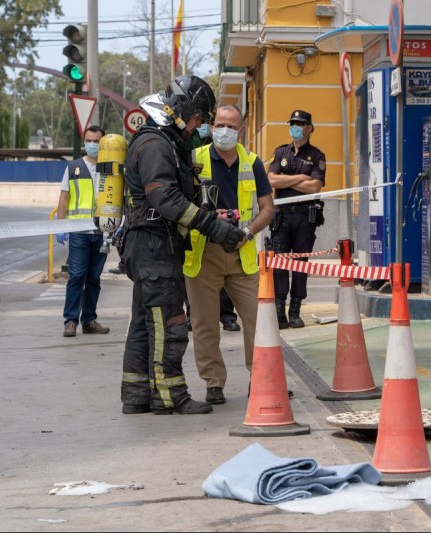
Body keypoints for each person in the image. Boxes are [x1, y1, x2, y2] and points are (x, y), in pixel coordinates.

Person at [119, 75, 246, 415]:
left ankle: (136, 396)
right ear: (180, 111)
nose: (200, 126)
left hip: (151, 244)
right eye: (199, 118)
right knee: (168, 323)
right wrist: (214, 227)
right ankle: (169, 396)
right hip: (154, 246)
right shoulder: (156, 145)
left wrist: (208, 214)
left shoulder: (162, 142)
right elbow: (165, 198)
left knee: (145, 323)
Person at [183, 103, 274, 405]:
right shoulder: (194, 159)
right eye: (220, 124)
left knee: (257, 321)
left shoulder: (252, 162)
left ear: (241, 129)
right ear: (211, 126)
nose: (225, 131)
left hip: (241, 251)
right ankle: (213, 384)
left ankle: (260, 379)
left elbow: (267, 209)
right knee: (205, 323)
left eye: (232, 126)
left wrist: (247, 233)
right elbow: (180, 203)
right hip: (203, 251)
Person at [267, 109, 326, 329]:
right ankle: (279, 311)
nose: (296, 127)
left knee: (300, 265)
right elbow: (271, 180)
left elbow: (315, 185)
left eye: (300, 123)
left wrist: (287, 180)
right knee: (279, 263)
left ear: (310, 128)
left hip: (305, 217)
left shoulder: (317, 156)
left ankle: (295, 311)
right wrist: (301, 178)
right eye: (293, 123)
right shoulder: (280, 152)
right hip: (281, 217)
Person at [55, 125, 110, 338]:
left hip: (102, 232)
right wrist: (60, 226)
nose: (92, 145)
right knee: (77, 275)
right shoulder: (74, 167)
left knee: (94, 278)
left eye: (97, 141)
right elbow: (64, 197)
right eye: (89, 140)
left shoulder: (111, 167)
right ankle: (70, 321)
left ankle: (89, 320)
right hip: (78, 231)